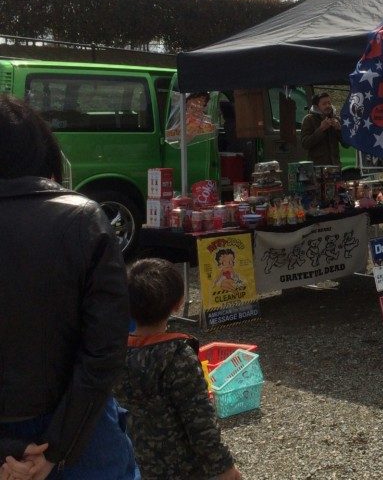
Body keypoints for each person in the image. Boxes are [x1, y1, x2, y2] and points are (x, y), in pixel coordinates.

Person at [0, 95, 139, 480]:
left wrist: (6, 450)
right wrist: (59, 447)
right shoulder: (82, 219)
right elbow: (105, 349)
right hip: (81, 430)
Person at [117, 258, 241, 480]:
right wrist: (224, 468)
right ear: (178, 304)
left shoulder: (112, 352)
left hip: (135, 463)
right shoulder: (177, 355)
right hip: (182, 468)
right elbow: (200, 421)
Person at [301, 92, 343, 166]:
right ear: (316, 106)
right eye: (324, 104)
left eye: (329, 103)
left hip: (335, 166)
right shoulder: (309, 119)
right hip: (317, 167)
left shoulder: (336, 119)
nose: (328, 106)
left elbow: (346, 144)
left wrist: (339, 129)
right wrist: (321, 129)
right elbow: (305, 144)